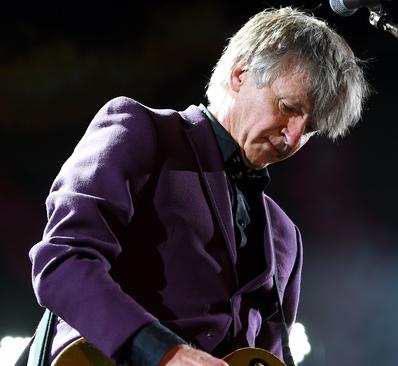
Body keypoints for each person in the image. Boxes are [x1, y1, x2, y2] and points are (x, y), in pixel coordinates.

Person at [28, 6, 368, 366]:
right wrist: (165, 352)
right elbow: (62, 262)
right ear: (240, 75)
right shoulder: (143, 133)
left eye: (310, 127)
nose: (294, 136)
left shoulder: (285, 237)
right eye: (287, 106)